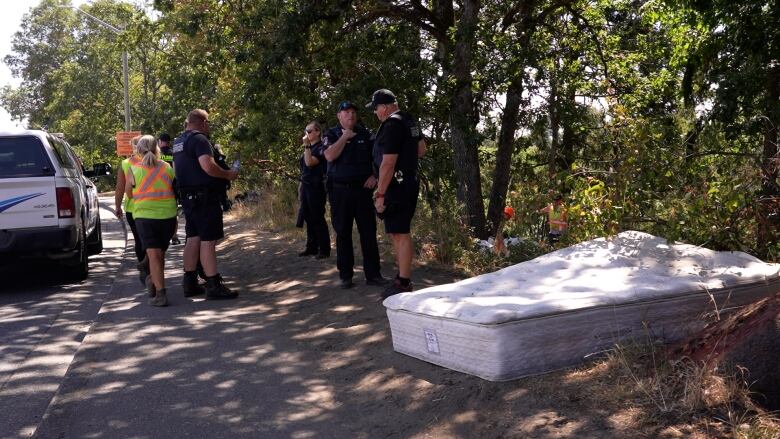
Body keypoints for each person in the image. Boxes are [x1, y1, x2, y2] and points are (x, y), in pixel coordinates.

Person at [173, 109, 239, 299]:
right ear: (202, 122)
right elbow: (208, 166)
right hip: (205, 197)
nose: (208, 126)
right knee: (208, 240)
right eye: (207, 122)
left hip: (187, 196)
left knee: (193, 238)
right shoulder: (200, 140)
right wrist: (228, 174)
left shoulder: (179, 142)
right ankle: (213, 284)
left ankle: (190, 281)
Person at [367, 89, 426, 299]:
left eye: (376, 109)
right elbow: (421, 150)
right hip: (409, 182)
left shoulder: (391, 125)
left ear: (384, 107)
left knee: (400, 233)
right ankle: (402, 276)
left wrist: (380, 194)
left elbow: (388, 162)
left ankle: (403, 282)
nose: (376, 113)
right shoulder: (409, 120)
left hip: (396, 186)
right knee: (397, 232)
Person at [323, 101, 388, 289]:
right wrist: (345, 138)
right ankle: (346, 275)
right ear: (339, 116)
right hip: (339, 191)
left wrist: (375, 175)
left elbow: (379, 156)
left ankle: (373, 275)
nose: (350, 115)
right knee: (342, 233)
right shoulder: (330, 134)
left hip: (362, 191)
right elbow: (329, 156)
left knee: (368, 233)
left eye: (353, 112)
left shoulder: (365, 134)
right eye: (346, 112)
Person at [125, 135, 178, 306]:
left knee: (154, 256)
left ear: (138, 150)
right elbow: (173, 186)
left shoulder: (134, 170)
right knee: (159, 255)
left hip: (145, 217)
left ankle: (160, 294)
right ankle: (154, 283)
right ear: (158, 149)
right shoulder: (167, 167)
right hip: (167, 217)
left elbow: (129, 194)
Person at [114, 136, 147, 284]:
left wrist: (117, 206)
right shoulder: (154, 162)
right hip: (152, 206)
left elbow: (120, 187)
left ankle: (144, 266)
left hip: (133, 209)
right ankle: (151, 265)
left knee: (139, 239)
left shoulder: (125, 164)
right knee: (152, 239)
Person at [297, 120, 330, 258]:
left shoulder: (321, 147)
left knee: (317, 217)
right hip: (306, 185)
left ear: (317, 132)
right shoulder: (309, 148)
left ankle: (324, 249)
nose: (307, 134)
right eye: (306, 131)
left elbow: (310, 163)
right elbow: (304, 169)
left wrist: (306, 146)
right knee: (308, 217)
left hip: (316, 187)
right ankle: (311, 247)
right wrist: (300, 187)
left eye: (309, 131)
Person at [158, 132, 181, 245]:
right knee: (173, 212)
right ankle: (174, 236)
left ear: (160, 141)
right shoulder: (174, 154)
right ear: (169, 142)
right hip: (172, 187)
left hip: (156, 187)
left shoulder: (156, 155)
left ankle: (161, 235)